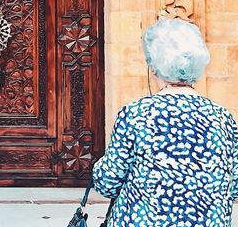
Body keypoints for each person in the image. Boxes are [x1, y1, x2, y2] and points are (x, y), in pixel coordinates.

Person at [92, 17, 238, 227]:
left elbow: (108, 183)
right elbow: (233, 186)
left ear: (154, 68)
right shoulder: (223, 118)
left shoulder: (136, 113)